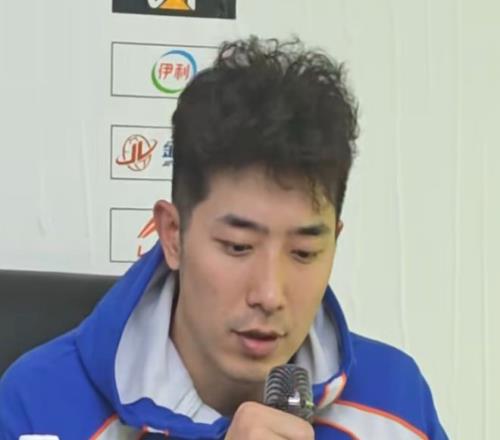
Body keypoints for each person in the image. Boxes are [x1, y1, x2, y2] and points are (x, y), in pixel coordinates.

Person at [0, 37, 448, 439]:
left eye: (304, 252)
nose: (269, 295)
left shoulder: (396, 405)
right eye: (238, 247)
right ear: (173, 235)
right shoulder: (39, 406)